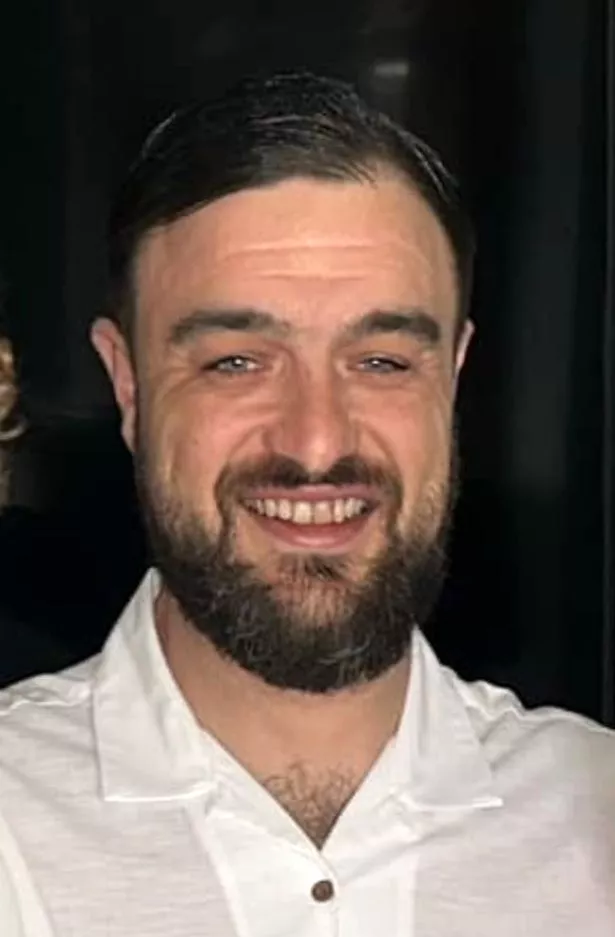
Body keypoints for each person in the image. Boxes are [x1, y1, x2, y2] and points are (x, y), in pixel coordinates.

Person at [0, 71, 613, 936]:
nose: (317, 442)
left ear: (452, 377)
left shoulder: (596, 809)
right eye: (236, 362)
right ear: (128, 386)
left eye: (382, 361)